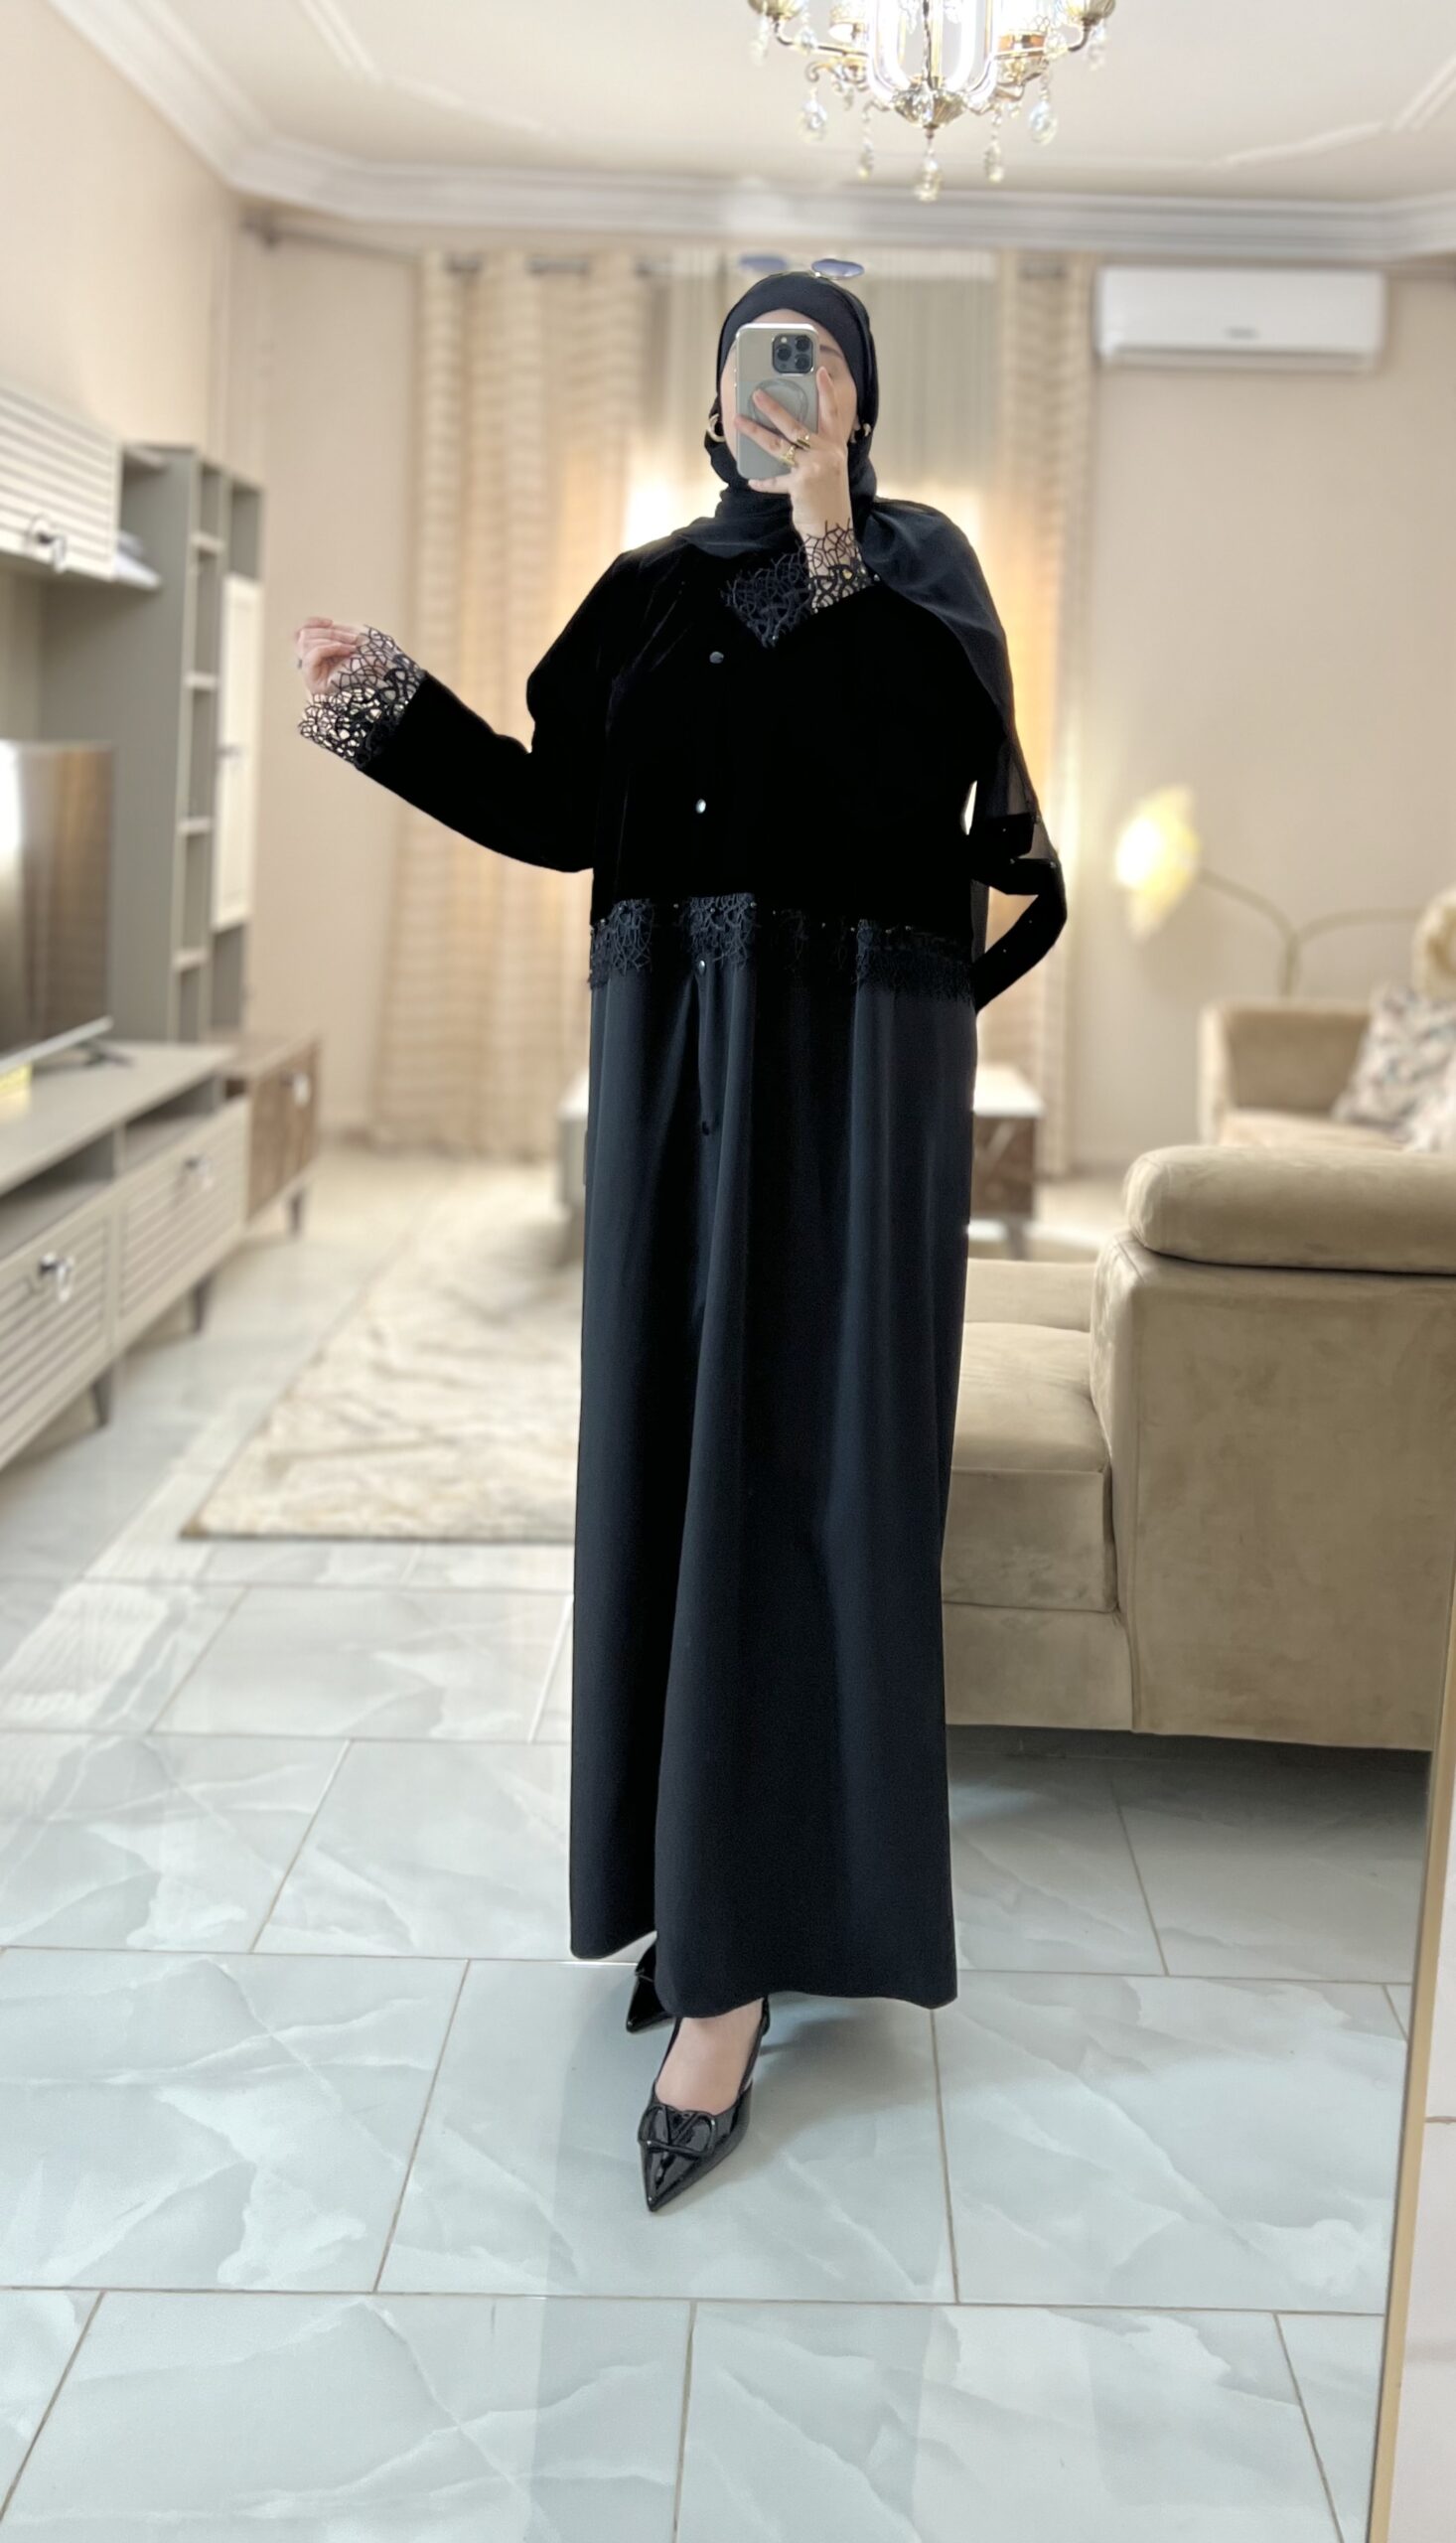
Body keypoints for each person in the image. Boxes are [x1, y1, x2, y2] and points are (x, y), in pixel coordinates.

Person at [295, 269, 1067, 2214]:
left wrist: (830, 531)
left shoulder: (922, 575)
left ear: (862, 401)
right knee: (670, 1462)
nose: (782, 393)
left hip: (847, 1084)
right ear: (708, 406)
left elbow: (919, 770)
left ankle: (732, 1971)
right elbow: (561, 809)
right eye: (753, 370)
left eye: (819, 368)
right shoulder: (644, 590)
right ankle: (695, 1892)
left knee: (804, 1477)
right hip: (669, 1078)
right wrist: (381, 702)